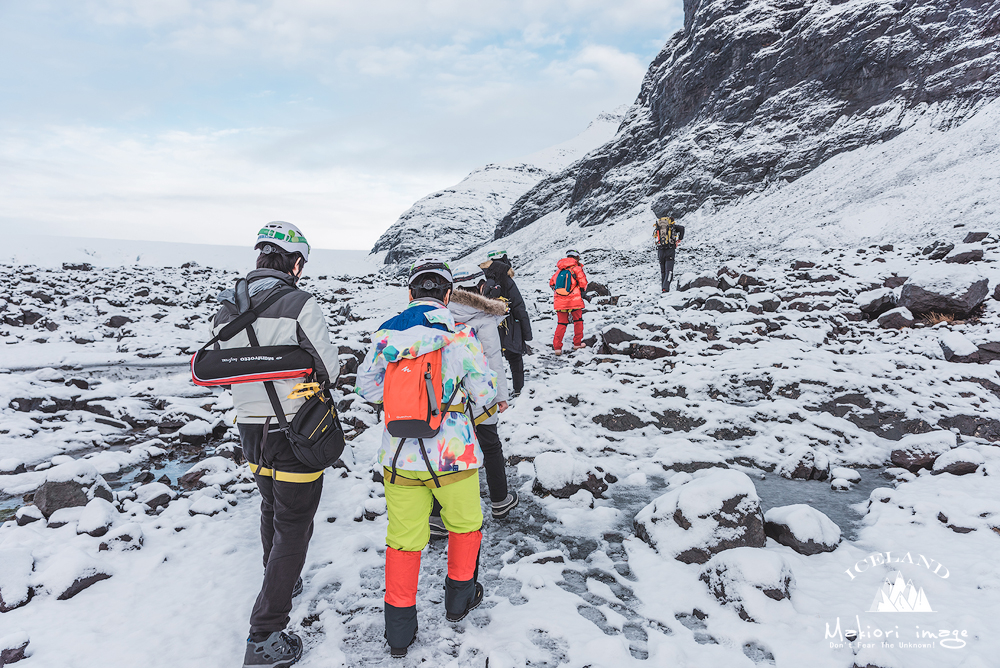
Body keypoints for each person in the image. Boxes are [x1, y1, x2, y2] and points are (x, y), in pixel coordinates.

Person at [355, 257, 498, 658]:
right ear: (448, 295)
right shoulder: (460, 336)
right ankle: (458, 604)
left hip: (400, 456)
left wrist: (403, 399)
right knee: (465, 526)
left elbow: (366, 389)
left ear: (411, 294)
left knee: (404, 541)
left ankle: (399, 633)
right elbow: (486, 392)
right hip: (454, 456)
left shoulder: (386, 336)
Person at [213, 222, 340, 668]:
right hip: (295, 426)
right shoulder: (299, 302)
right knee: (294, 523)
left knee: (270, 508)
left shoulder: (229, 306)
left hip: (249, 426)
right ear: (295, 262)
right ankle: (265, 635)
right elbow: (329, 366)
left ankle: (279, 579)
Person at [427, 265, 518, 540]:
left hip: (448, 400)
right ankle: (500, 501)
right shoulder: (484, 318)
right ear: (480, 288)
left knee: (447, 453)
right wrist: (501, 396)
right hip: (480, 398)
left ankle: (437, 515)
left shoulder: (438, 316)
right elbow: (493, 360)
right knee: (491, 446)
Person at [479, 250, 532, 397]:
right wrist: (527, 334)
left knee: (488, 360)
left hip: (486, 325)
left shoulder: (480, 279)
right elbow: (519, 307)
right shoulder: (508, 281)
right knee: (514, 358)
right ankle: (518, 390)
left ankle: (489, 393)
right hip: (509, 326)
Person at [549, 250, 589, 355]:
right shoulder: (577, 268)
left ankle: (557, 348)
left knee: (561, 323)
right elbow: (583, 284)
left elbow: (552, 284)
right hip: (574, 301)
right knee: (578, 321)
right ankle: (577, 344)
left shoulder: (559, 270)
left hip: (560, 301)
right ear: (576, 258)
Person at [653, 214, 685, 292]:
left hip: (660, 250)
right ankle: (666, 288)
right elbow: (682, 228)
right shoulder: (673, 227)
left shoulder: (659, 227)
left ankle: (663, 288)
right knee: (669, 271)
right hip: (670, 250)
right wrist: (679, 239)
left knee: (663, 271)